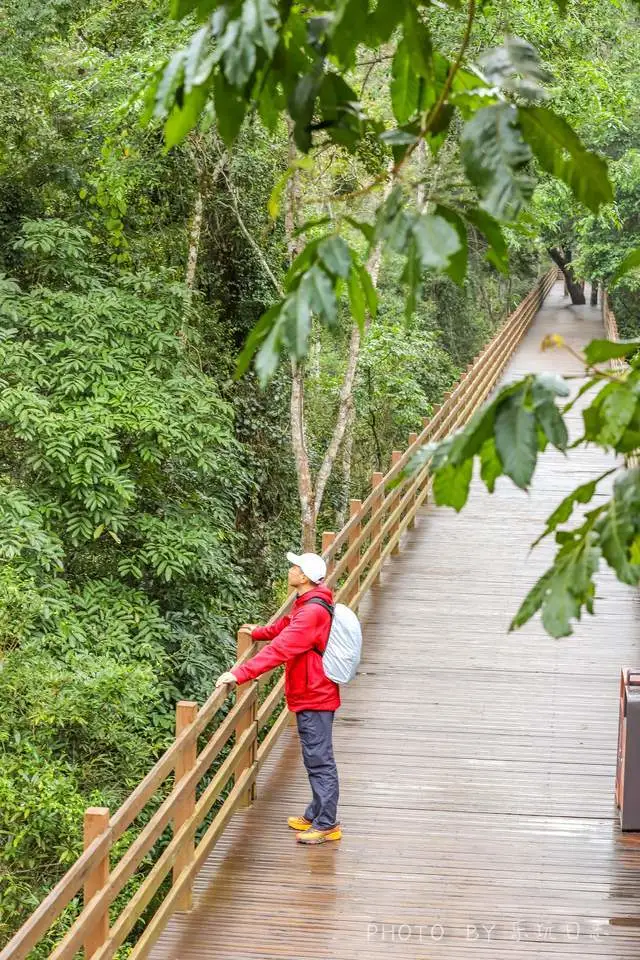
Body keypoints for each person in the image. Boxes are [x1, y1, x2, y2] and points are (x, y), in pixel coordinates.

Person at [215, 551, 341, 845]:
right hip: (311, 690)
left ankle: (327, 824)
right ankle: (316, 813)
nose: (291, 570)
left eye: (295, 567)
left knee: (319, 759)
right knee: (315, 756)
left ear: (305, 577)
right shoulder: (309, 603)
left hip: (315, 695)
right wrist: (259, 632)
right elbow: (286, 626)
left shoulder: (312, 612)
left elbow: (281, 648)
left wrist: (240, 673)